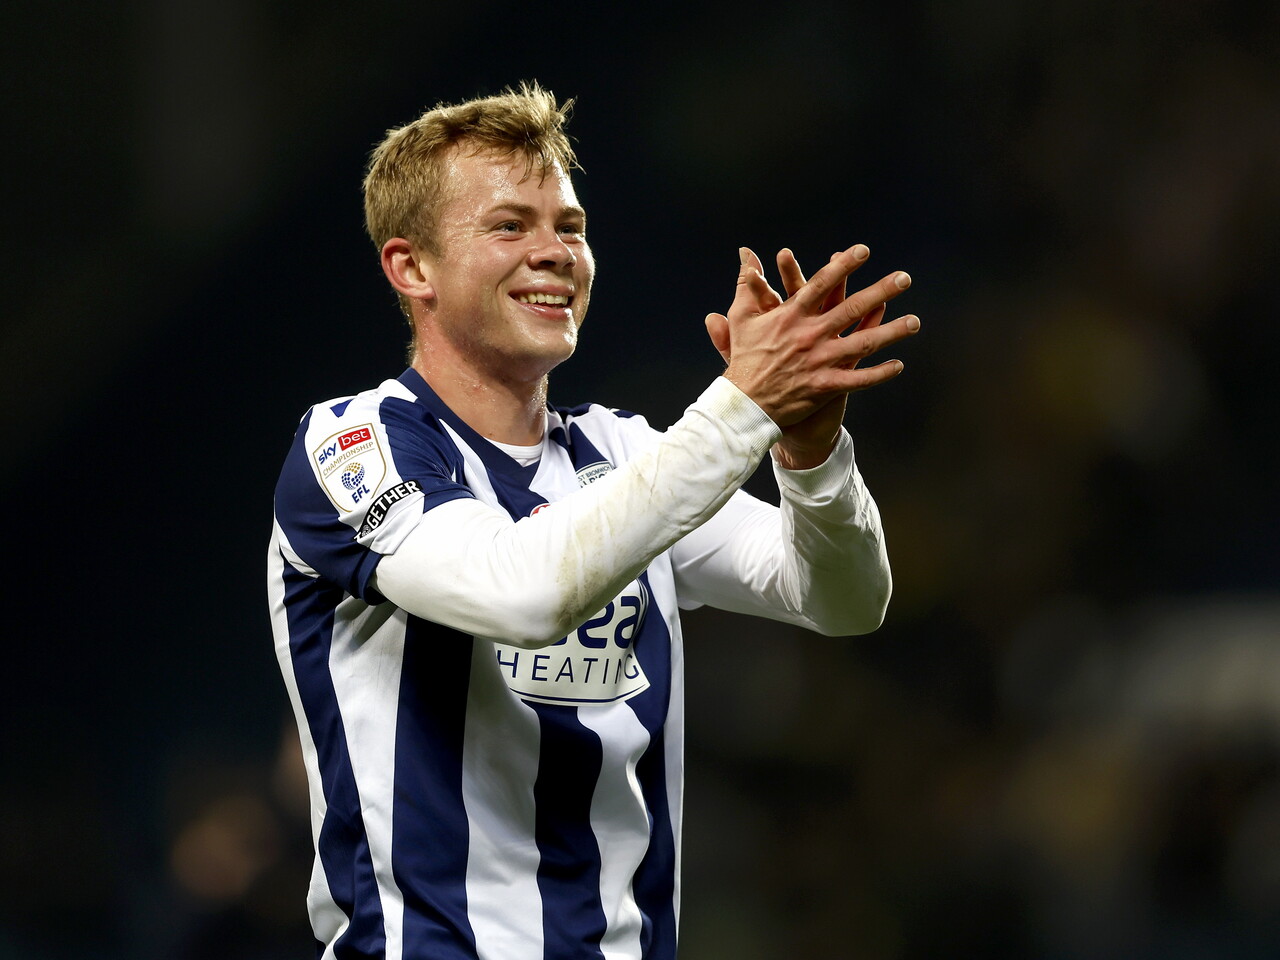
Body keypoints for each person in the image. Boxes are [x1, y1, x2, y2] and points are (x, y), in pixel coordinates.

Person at [267, 82, 920, 960]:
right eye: (509, 227)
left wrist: (809, 452)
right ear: (410, 267)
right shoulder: (351, 445)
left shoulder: (623, 455)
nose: (554, 254)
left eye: (568, 228)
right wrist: (741, 405)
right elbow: (522, 592)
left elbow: (840, 598)